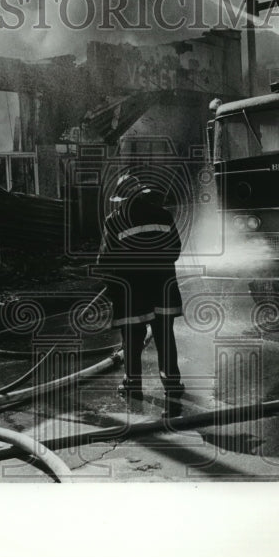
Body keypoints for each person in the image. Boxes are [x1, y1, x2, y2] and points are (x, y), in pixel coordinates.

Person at [95, 172, 185, 402]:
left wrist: (111, 282)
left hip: (133, 293)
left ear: (122, 199)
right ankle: (172, 385)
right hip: (163, 287)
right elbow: (175, 250)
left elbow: (106, 261)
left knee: (132, 341)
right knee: (165, 336)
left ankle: (133, 387)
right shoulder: (163, 215)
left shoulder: (114, 221)